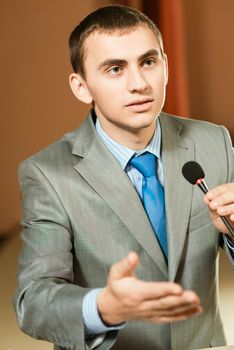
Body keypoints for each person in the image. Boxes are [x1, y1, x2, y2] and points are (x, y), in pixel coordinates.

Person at [14, 5, 234, 350]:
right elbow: (33, 301)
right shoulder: (46, 173)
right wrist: (104, 307)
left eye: (148, 62)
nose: (139, 84)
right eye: (115, 69)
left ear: (165, 67)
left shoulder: (214, 141)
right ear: (82, 87)